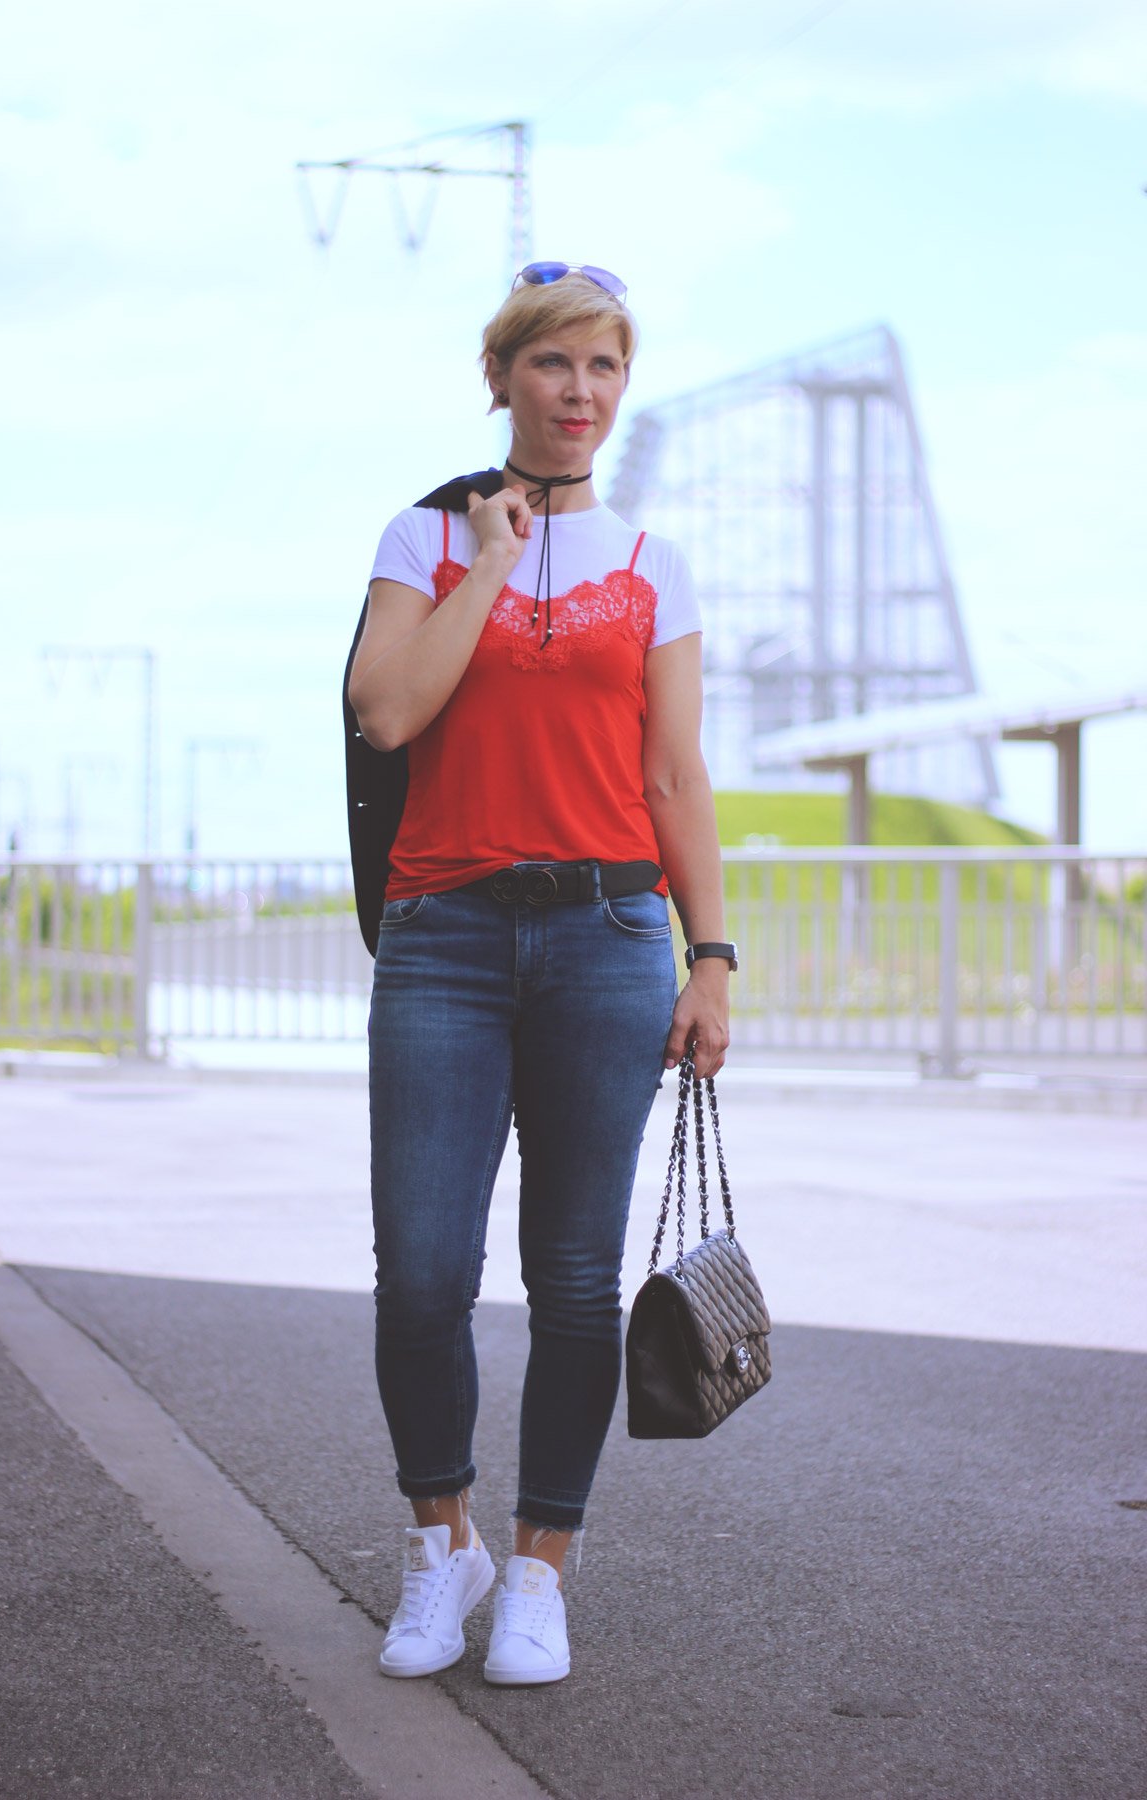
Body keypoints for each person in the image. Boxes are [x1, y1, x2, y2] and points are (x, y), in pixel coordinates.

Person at [348, 262, 735, 1687]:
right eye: (555, 365)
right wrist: (494, 557)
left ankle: (537, 1569)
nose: (582, 394)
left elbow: (676, 774)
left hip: (610, 941)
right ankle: (435, 1546)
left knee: (574, 1284)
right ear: (504, 377)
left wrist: (715, 959)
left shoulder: (653, 563)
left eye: (605, 370)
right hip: (444, 938)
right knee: (421, 1275)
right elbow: (387, 710)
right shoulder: (426, 534)